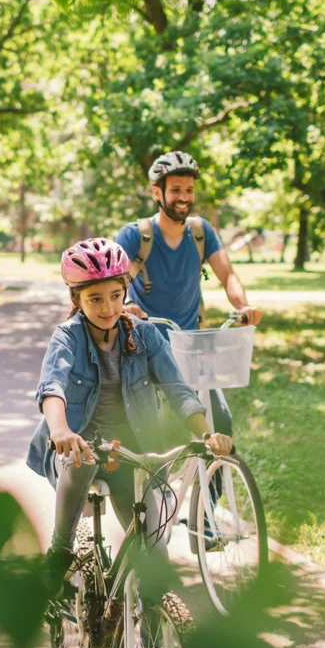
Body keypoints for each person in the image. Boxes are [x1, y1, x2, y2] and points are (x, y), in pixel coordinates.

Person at [26, 237, 232, 593]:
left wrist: (205, 435)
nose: (107, 307)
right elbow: (52, 387)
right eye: (94, 299)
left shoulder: (145, 336)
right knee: (82, 457)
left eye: (115, 296)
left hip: (128, 451)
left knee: (154, 555)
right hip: (77, 446)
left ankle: (151, 641)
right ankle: (60, 549)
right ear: (76, 300)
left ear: (125, 293)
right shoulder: (68, 338)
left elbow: (177, 390)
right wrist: (60, 430)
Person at [114, 150, 262, 441]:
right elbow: (118, 284)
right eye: (176, 190)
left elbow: (227, 274)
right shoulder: (136, 236)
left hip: (192, 345)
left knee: (219, 421)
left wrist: (243, 305)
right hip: (147, 347)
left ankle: (213, 485)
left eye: (190, 190)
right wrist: (128, 304)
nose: (184, 197)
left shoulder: (201, 232)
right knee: (148, 431)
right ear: (158, 192)